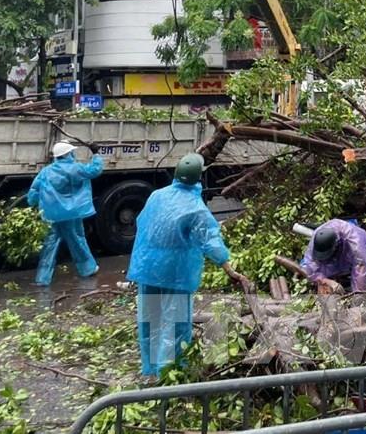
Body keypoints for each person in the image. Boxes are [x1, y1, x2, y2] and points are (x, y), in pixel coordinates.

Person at [127, 152, 246, 377]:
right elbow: (211, 242)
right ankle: (170, 375)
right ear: (199, 178)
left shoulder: (156, 196)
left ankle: (150, 369)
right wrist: (229, 268)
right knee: (176, 324)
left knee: (150, 320)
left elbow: (142, 222)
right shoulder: (196, 209)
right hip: (176, 272)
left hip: (147, 267)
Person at [27, 140, 105, 287]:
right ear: (68, 154)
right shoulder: (75, 169)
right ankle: (87, 269)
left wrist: (31, 204)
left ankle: (43, 278)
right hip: (71, 214)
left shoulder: (46, 171)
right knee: (77, 240)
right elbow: (94, 171)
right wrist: (96, 154)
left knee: (49, 244)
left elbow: (34, 190)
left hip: (51, 214)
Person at [300, 219, 366, 293]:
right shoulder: (315, 241)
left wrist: (358, 293)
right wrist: (325, 280)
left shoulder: (355, 241)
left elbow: (360, 265)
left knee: (362, 275)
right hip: (334, 258)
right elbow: (308, 268)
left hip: (357, 249)